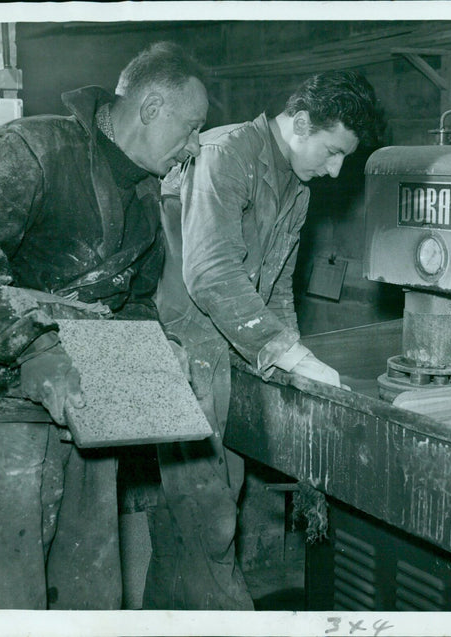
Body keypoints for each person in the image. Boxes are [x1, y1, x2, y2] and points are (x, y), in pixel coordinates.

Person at [0, 41, 208, 609]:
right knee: (10, 586)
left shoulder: (145, 193)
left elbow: (132, 300)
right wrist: (36, 352)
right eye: (192, 126)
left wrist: (156, 353)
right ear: (151, 107)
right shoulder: (30, 150)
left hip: (88, 410)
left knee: (90, 578)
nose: (196, 144)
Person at [142, 70, 384, 610]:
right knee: (210, 518)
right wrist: (284, 351)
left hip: (227, 347)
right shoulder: (228, 154)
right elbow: (209, 274)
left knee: (196, 513)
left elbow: (276, 286)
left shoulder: (297, 184)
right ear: (300, 124)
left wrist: (297, 358)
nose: (335, 168)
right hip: (182, 348)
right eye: (331, 151)